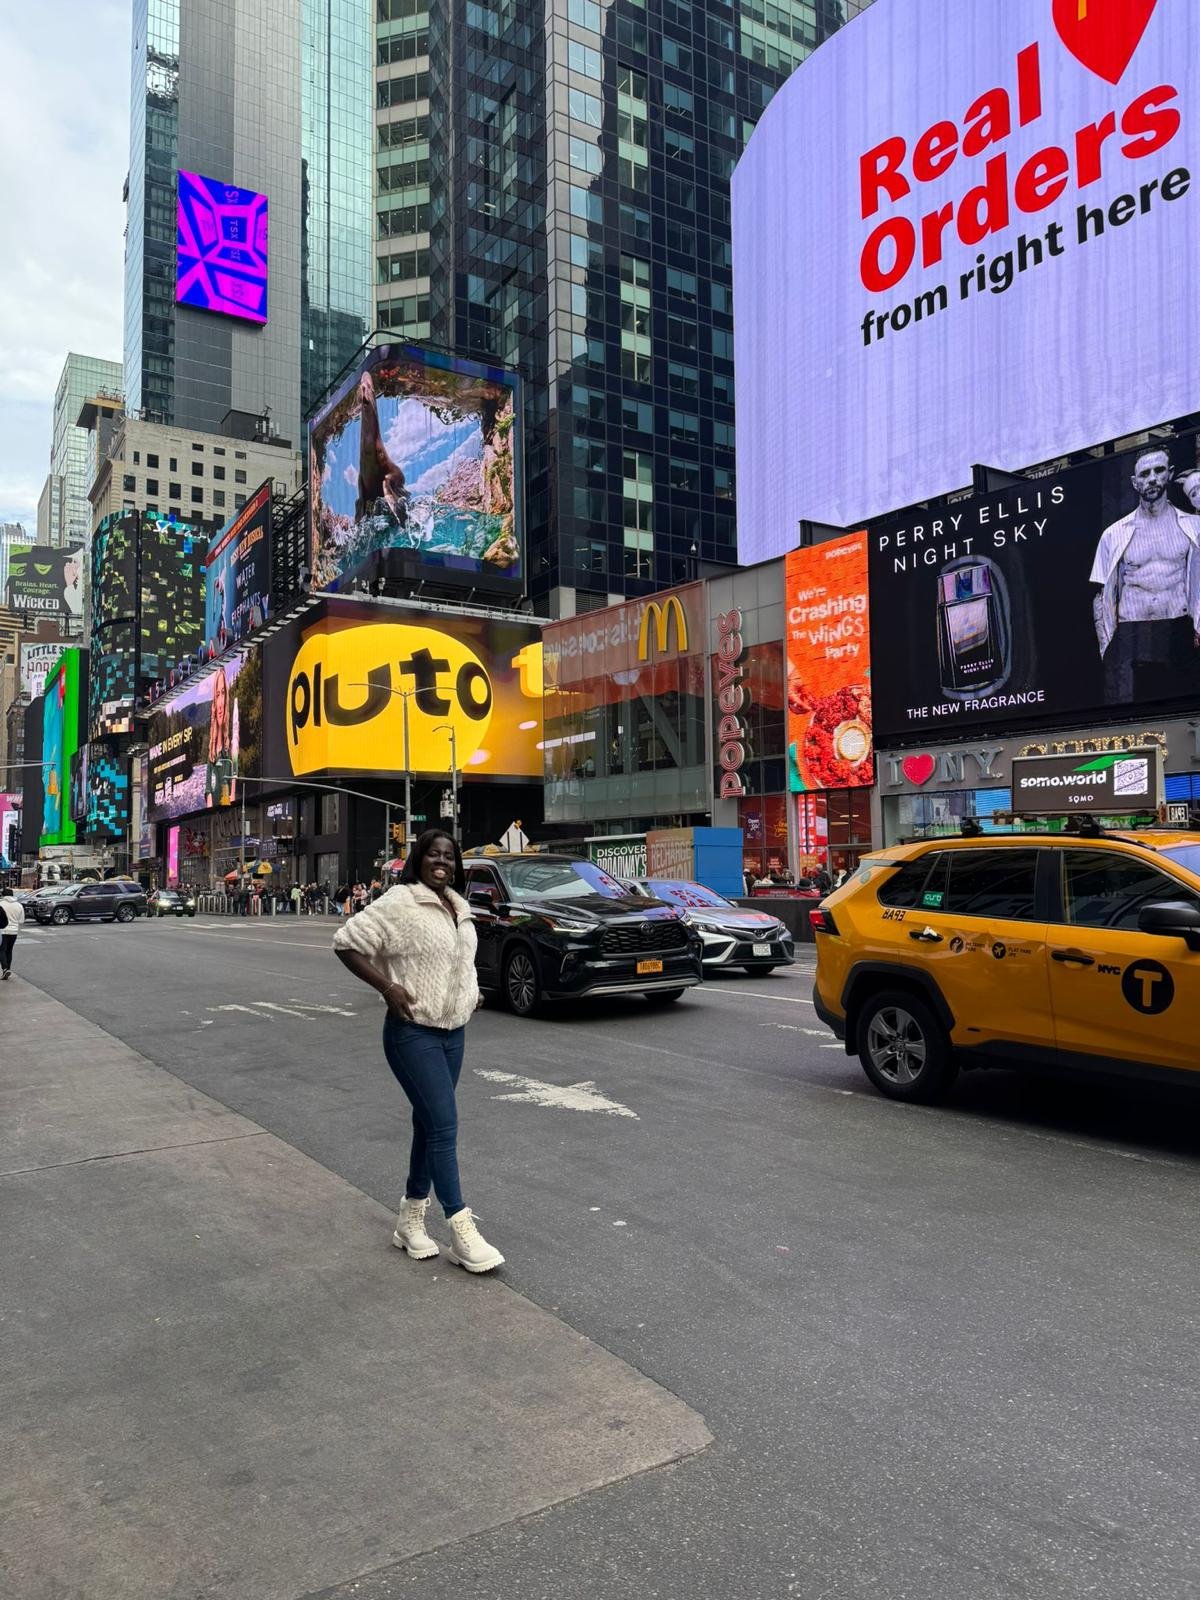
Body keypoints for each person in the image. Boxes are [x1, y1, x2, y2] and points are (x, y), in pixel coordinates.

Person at [332, 830, 503, 1273]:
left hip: (454, 1032)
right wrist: (388, 987)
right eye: (433, 854)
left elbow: (458, 962)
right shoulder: (401, 902)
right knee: (444, 1126)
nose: (441, 862)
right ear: (419, 859)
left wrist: (470, 994)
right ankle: (460, 1227)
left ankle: (410, 1221)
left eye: (448, 856)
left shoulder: (458, 907)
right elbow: (347, 942)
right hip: (412, 1033)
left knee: (429, 1127)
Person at [1090, 445, 1200, 704]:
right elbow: (1100, 597)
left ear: (1169, 473)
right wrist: (1106, 647)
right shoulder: (1113, 534)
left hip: (1179, 629)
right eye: (1145, 473)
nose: (1152, 478)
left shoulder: (1193, 527)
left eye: (1159, 470)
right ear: (1134, 482)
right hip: (1131, 634)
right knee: (1132, 716)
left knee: (1184, 712)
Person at [0, 887, 25, 980]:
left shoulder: (1, 904)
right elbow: (21, 920)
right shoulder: (18, 905)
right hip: (14, 931)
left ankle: (5, 969)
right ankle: (8, 969)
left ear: (3, 895)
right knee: (9, 950)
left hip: (2, 930)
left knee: (1, 950)